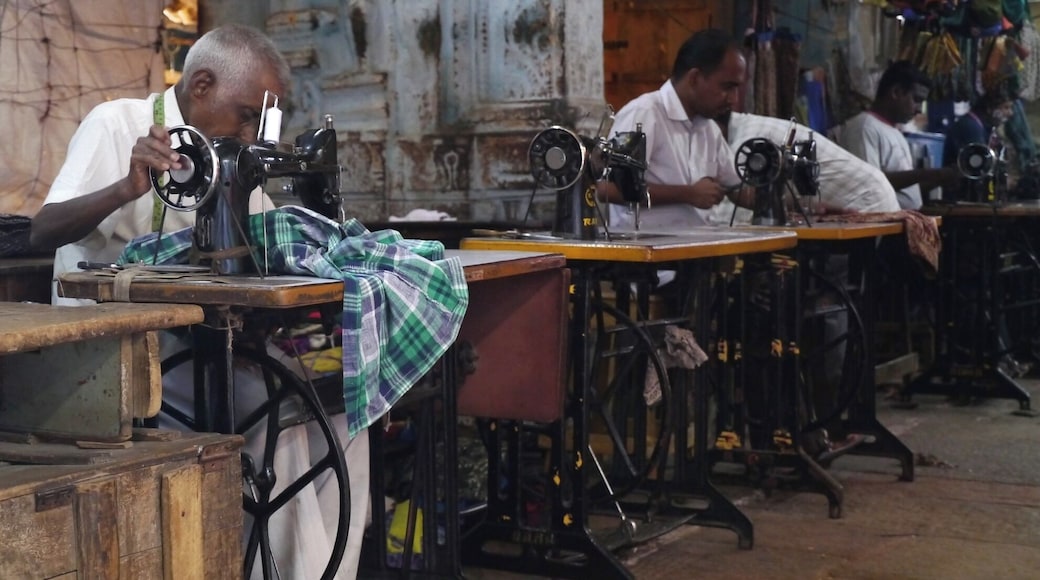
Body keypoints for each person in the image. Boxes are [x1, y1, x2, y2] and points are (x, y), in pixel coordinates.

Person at [31, 24, 369, 580]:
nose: (251, 134)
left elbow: (267, 240)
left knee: (347, 412)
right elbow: (43, 230)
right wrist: (125, 189)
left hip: (197, 342)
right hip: (110, 354)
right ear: (202, 85)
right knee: (272, 414)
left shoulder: (230, 156)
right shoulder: (117, 125)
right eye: (246, 116)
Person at [600, 28, 748, 232]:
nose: (733, 99)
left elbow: (738, 188)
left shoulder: (709, 129)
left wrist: (779, 193)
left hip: (696, 245)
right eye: (727, 87)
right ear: (694, 78)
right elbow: (608, 189)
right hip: (644, 247)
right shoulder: (644, 114)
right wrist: (688, 194)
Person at [711, 112, 901, 223]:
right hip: (869, 192)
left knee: (838, 274)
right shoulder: (745, 127)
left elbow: (725, 218)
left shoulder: (748, 139)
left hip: (866, 200)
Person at [836, 60, 957, 210]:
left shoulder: (895, 132)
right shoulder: (864, 127)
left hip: (905, 220)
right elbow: (870, 184)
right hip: (882, 223)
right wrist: (931, 174)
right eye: (916, 100)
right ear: (896, 92)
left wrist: (942, 178)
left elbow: (907, 191)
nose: (919, 109)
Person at [942, 86, 1015, 168]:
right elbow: (981, 165)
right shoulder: (971, 126)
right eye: (1006, 107)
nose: (1010, 113)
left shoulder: (984, 126)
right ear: (990, 108)